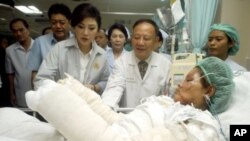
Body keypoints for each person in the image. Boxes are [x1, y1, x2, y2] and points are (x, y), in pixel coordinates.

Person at [26, 56, 234, 141]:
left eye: (189, 80)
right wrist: (79, 92)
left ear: (209, 91)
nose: (180, 83)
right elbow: (120, 124)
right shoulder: (171, 105)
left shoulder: (198, 127)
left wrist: (53, 100)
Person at [34, 3, 110, 94]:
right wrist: (60, 90)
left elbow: (106, 81)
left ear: (98, 30)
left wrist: (94, 87)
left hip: (89, 105)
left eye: (91, 28)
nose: (85, 33)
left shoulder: (102, 55)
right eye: (80, 27)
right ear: (73, 26)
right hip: (62, 103)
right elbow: (41, 80)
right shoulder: (59, 49)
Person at [101, 19, 172, 109]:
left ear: (156, 41)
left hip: (153, 118)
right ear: (131, 39)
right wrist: (106, 108)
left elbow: (169, 97)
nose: (140, 42)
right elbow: (114, 88)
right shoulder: (122, 62)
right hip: (126, 117)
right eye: (136, 37)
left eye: (146, 38)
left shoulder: (165, 65)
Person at [27, 3, 72, 84]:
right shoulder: (40, 43)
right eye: (54, 22)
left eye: (62, 22)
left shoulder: (76, 41)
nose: (58, 26)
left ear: (69, 22)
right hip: (48, 92)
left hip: (72, 91)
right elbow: (35, 73)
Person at [5, 18, 34, 107]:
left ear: (28, 29)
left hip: (38, 92)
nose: (18, 34)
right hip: (20, 93)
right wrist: (11, 93)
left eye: (21, 30)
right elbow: (10, 74)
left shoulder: (39, 46)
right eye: (15, 31)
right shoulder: (9, 50)